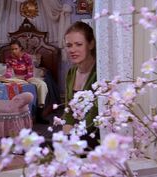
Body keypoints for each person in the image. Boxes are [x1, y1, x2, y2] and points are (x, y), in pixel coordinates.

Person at [62, 21, 100, 150]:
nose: (72, 50)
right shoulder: (71, 73)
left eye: (78, 44)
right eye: (69, 45)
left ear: (91, 44)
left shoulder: (100, 73)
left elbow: (93, 117)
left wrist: (72, 143)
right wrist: (65, 138)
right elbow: (69, 111)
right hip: (76, 136)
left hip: (96, 135)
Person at [3, 39, 49, 124]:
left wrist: (24, 80)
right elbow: (9, 72)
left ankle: (40, 109)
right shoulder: (9, 58)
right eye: (12, 49)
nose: (13, 51)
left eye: (15, 49)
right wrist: (4, 78)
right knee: (2, 81)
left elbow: (30, 72)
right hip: (16, 78)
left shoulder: (27, 57)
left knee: (42, 84)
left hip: (27, 77)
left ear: (20, 48)